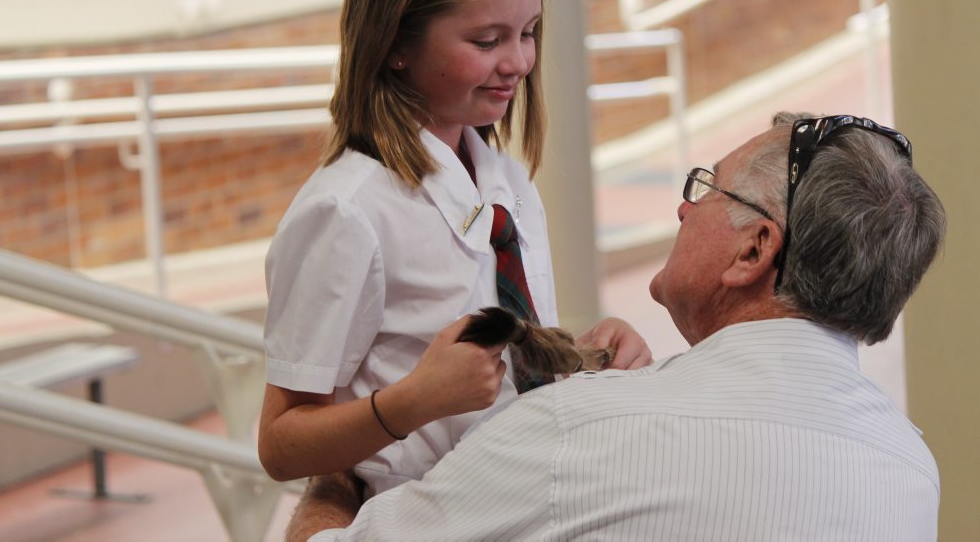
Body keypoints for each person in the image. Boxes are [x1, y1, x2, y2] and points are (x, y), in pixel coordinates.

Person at [301, 112, 946, 541]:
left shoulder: (576, 432)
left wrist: (338, 475)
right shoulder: (911, 472)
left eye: (707, 190)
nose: (682, 210)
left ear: (753, 251)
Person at [258, 0, 651, 504]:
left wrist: (580, 354)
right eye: (487, 40)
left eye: (529, 32)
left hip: (524, 494)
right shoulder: (346, 211)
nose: (519, 61)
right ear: (395, 44)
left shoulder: (503, 180)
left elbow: (494, 369)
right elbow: (281, 445)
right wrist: (413, 401)